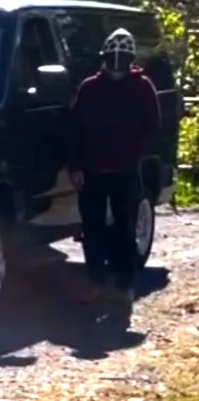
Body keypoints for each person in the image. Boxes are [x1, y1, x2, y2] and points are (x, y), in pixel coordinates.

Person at [68, 27, 161, 311]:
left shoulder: (142, 87)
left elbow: (152, 125)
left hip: (126, 170)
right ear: (104, 56)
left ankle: (124, 286)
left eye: (123, 56)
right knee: (92, 229)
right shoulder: (90, 88)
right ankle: (95, 282)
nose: (117, 61)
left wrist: (134, 149)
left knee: (125, 230)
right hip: (92, 171)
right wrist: (76, 165)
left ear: (131, 58)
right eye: (113, 55)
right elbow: (75, 130)